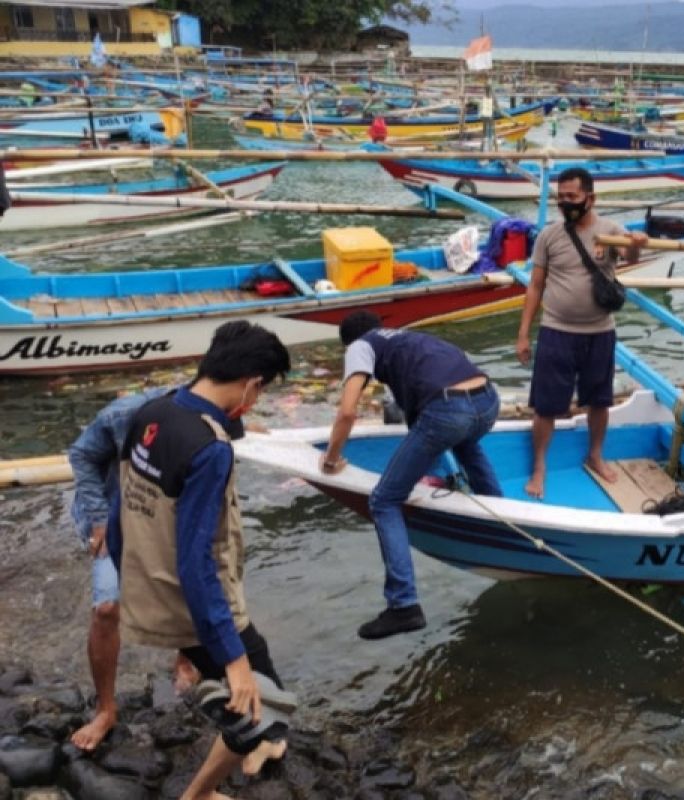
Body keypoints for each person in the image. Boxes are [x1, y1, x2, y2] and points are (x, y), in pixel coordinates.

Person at [107, 321, 293, 799]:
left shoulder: (152, 410)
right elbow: (197, 563)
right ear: (252, 383)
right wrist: (230, 658)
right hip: (192, 604)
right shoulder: (210, 450)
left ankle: (266, 744)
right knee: (259, 700)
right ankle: (200, 794)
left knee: (262, 673)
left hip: (146, 584)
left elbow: (119, 510)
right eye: (261, 389)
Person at [321, 311, 502, 640]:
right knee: (466, 445)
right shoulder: (407, 339)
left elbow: (348, 411)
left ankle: (403, 605)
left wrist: (331, 458)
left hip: (450, 410)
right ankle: (501, 516)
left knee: (384, 501)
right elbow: (424, 423)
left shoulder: (360, 346)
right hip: (488, 402)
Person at [67, 386, 215, 751]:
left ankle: (184, 659)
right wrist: (99, 519)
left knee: (187, 585)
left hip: (171, 510)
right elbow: (81, 455)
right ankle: (105, 708)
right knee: (106, 608)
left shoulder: (207, 422)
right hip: (117, 508)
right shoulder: (123, 414)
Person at [515, 167, 648, 500]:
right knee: (545, 406)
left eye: (572, 197)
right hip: (556, 331)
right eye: (561, 197)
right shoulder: (549, 236)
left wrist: (636, 245)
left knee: (599, 400)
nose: (565, 203)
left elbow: (629, 258)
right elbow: (535, 285)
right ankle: (540, 466)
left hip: (600, 332)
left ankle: (595, 455)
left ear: (590, 198)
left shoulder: (611, 231)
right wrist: (522, 334)